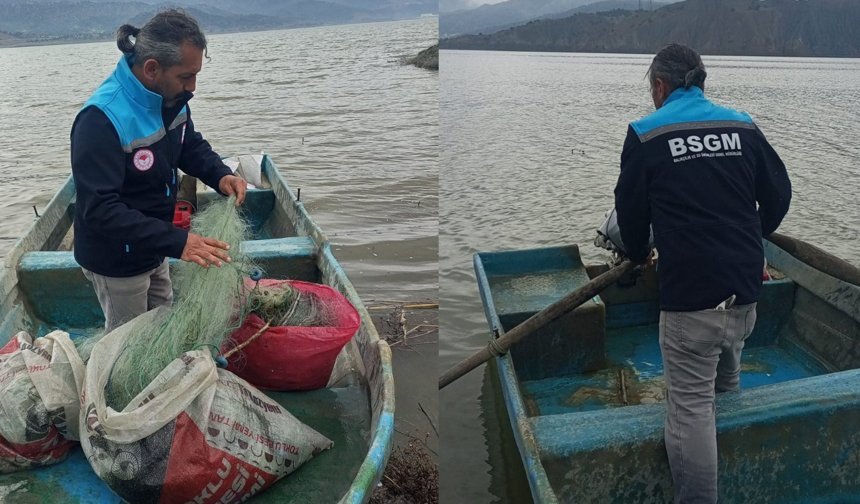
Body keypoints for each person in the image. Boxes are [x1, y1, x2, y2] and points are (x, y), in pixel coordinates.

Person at [614, 43, 791, 503]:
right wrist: (752, 238)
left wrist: (637, 254)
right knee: (726, 382)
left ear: (659, 86)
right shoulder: (742, 125)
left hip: (692, 303)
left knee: (689, 409)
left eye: (651, 89)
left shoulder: (645, 134)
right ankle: (735, 477)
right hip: (746, 292)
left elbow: (631, 222)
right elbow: (779, 195)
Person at [71, 9, 247, 333]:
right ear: (152, 68)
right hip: (117, 261)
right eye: (185, 76)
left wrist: (220, 174)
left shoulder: (170, 98)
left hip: (156, 246)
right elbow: (100, 210)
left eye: (196, 75)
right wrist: (180, 242)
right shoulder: (101, 119)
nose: (193, 86)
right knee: (128, 342)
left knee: (163, 323)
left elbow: (188, 144)